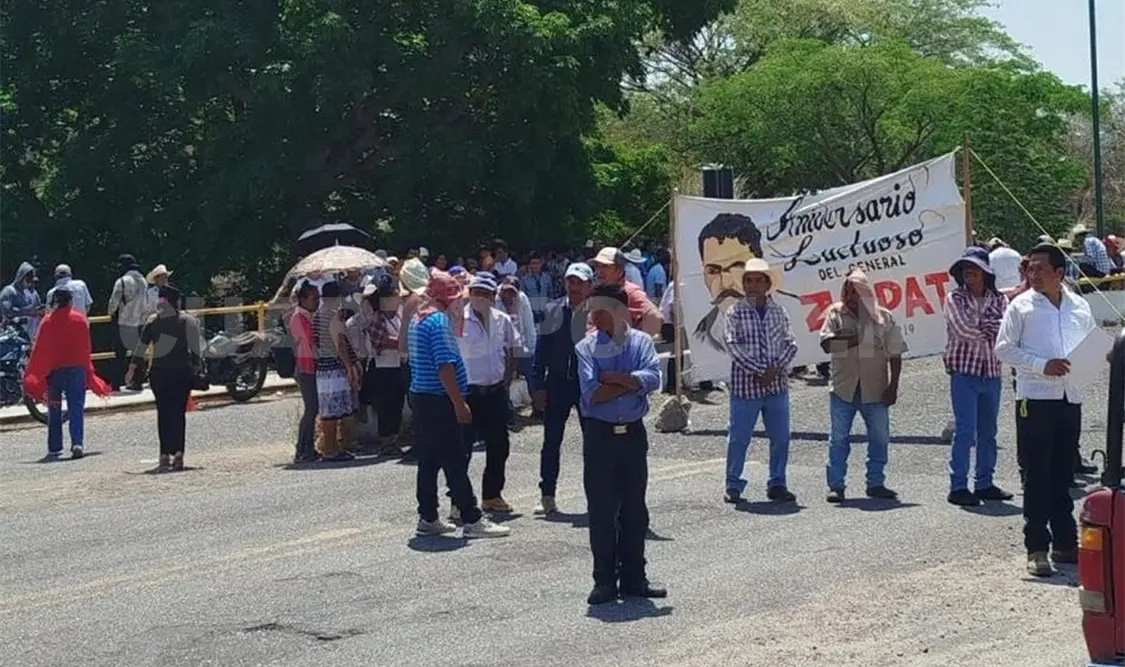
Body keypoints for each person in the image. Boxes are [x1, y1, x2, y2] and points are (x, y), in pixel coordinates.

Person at [995, 242, 1096, 578]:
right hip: (1035, 398)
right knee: (1036, 474)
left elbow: (1091, 343)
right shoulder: (1021, 306)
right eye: (1030, 268)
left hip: (1070, 397)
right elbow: (1003, 349)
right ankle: (1036, 547)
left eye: (1040, 268)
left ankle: (1065, 543)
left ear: (1059, 273)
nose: (1033, 274)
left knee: (1063, 474)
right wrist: (1042, 365)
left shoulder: (1079, 306)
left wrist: (1096, 361)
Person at [576, 282, 665, 605]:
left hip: (632, 435)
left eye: (599, 310)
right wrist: (631, 382)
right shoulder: (586, 347)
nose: (593, 317)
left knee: (634, 509)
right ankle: (604, 581)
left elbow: (654, 379)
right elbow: (592, 394)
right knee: (601, 511)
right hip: (599, 436)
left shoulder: (641, 342)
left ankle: (634, 578)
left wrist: (613, 378)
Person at [408, 270, 510, 538]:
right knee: (454, 457)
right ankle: (471, 518)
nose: (459, 303)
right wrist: (458, 402)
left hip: (422, 395)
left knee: (429, 459)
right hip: (439, 398)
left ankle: (428, 515)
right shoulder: (438, 322)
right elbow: (445, 366)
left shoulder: (418, 319)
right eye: (456, 298)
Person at [819, 269, 905, 503]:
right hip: (843, 388)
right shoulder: (835, 313)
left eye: (856, 291)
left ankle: (876, 483)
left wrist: (894, 385)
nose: (851, 296)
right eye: (847, 291)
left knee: (880, 438)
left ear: (866, 292)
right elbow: (827, 346)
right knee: (838, 439)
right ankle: (836, 485)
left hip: (876, 388)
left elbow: (896, 353)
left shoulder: (884, 317)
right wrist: (857, 338)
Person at [723, 259, 798, 504]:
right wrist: (760, 371)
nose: (752, 285)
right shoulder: (734, 312)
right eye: (748, 281)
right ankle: (733, 483)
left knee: (781, 437)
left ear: (767, 284)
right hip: (746, 387)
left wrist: (775, 370)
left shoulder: (779, 311)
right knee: (739, 437)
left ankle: (777, 482)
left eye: (757, 280)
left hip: (776, 386)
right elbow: (733, 346)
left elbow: (791, 343)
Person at [942, 247, 1012, 507]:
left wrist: (984, 326)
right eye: (964, 268)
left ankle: (984, 482)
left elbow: (1006, 330)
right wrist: (990, 327)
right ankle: (958, 486)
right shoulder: (954, 298)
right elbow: (963, 330)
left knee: (988, 431)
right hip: (965, 371)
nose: (968, 273)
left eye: (974, 268)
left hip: (991, 371)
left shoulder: (999, 299)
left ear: (985, 272)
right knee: (965, 431)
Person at [529, 262, 594, 514]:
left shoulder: (598, 312)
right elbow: (541, 349)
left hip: (588, 385)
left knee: (593, 443)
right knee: (551, 442)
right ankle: (547, 495)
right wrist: (538, 385)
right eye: (570, 281)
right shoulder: (552, 310)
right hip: (557, 384)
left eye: (579, 282)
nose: (574, 287)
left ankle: (596, 496)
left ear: (589, 286)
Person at [24, 286, 112, 460]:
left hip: (55, 370)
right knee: (76, 406)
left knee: (54, 406)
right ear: (70, 301)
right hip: (76, 369)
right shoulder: (80, 320)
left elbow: (41, 349)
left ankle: (54, 446)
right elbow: (86, 348)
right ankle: (77, 443)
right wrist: (88, 370)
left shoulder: (47, 322)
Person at [458, 273, 518, 513]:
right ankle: (458, 501)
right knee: (462, 448)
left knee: (499, 445)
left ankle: (492, 495)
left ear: (493, 296)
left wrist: (506, 380)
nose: (481, 297)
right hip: (468, 392)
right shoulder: (458, 320)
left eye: (486, 293)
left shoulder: (502, 319)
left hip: (495, 391)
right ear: (470, 293)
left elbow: (512, 349)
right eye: (477, 292)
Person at [127, 284, 202, 471]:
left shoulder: (153, 322)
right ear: (176, 302)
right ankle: (179, 453)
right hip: (181, 372)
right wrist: (196, 368)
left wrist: (131, 370)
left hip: (159, 374)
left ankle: (164, 454)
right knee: (178, 413)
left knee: (164, 413)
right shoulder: (187, 321)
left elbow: (141, 348)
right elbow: (196, 351)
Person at [312, 282, 358, 462]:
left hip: (322, 367)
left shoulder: (318, 315)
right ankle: (331, 449)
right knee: (334, 411)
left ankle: (329, 447)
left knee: (327, 410)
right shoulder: (333, 316)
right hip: (334, 368)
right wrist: (349, 366)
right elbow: (340, 343)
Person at [589, 247, 663, 335]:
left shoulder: (630, 292)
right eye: (597, 266)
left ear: (619, 270)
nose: (599, 271)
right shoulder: (597, 291)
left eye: (605, 266)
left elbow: (655, 317)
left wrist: (638, 338)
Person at [289, 280, 321, 463]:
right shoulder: (299, 318)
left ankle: (308, 447)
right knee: (311, 409)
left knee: (314, 409)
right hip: (305, 366)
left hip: (310, 366)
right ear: (303, 300)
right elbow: (310, 341)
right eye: (314, 298)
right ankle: (302, 449)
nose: (317, 302)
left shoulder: (308, 316)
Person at [108, 254, 149, 391]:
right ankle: (137, 382)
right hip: (139, 322)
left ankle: (116, 384)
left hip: (123, 322)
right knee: (138, 355)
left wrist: (111, 313)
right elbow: (146, 302)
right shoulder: (143, 281)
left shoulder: (122, 281)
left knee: (119, 354)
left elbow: (114, 302)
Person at [0, 261, 44, 338]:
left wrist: (40, 311)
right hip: (12, 334)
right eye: (28, 280)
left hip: (28, 334)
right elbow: (7, 311)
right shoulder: (9, 291)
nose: (30, 284)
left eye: (32, 281)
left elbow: (37, 307)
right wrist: (27, 312)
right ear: (21, 278)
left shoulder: (31, 293)